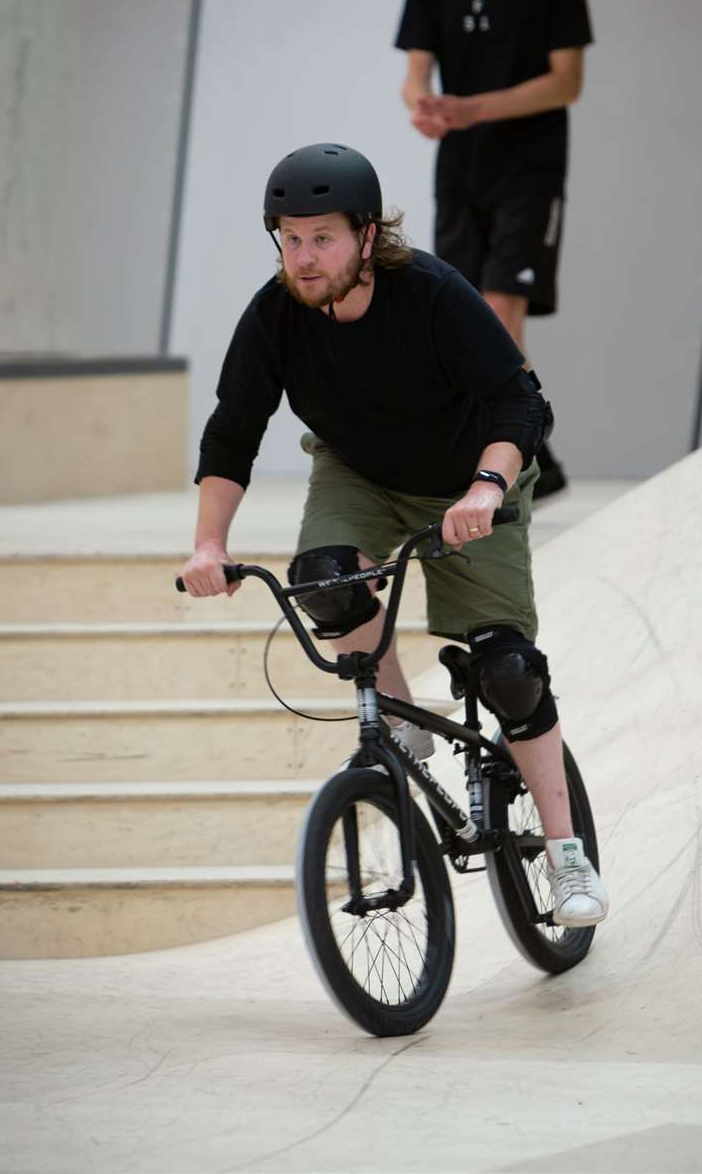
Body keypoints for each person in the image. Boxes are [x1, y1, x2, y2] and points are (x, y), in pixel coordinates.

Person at [180, 142, 607, 928]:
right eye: (291, 238)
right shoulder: (276, 313)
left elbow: (519, 402)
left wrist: (487, 486)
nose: (304, 259)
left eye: (323, 239)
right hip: (361, 474)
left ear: (368, 237)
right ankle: (404, 723)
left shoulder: (432, 295)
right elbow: (233, 429)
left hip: (471, 476)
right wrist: (210, 544)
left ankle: (566, 854)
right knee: (323, 577)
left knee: (510, 673)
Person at [395, 0, 593, 500]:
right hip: (460, 166)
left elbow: (567, 81)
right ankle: (535, 447)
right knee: (470, 309)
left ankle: (508, 451)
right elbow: (415, 74)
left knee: (504, 301)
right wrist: (423, 108)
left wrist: (474, 108)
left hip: (530, 163)